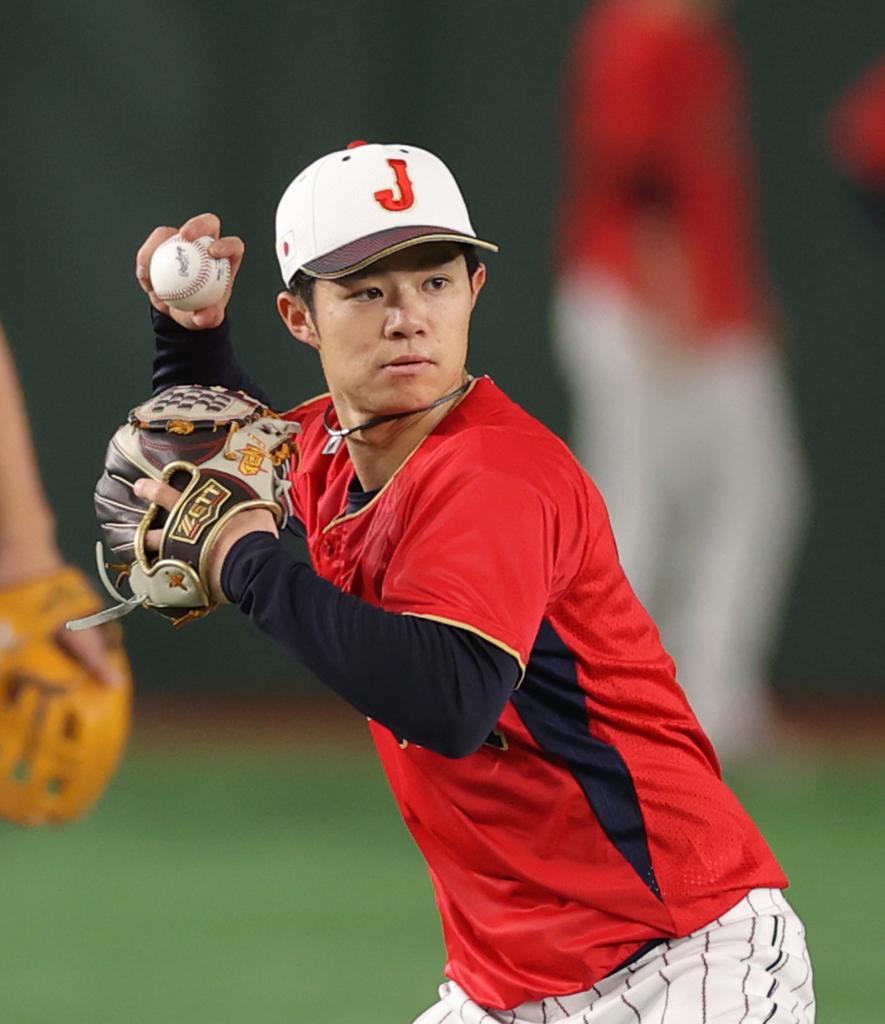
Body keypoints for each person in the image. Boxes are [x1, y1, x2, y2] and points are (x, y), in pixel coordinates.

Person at [133, 141, 815, 1023]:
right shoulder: (337, 453)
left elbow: (451, 699)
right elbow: (218, 455)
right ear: (299, 317)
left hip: (680, 958)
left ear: (475, 290)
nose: (407, 317)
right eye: (366, 291)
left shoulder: (495, 472)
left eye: (434, 282)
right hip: (504, 988)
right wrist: (189, 335)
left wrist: (251, 565)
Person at [552, 0, 808, 758]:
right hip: (642, 303)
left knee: (739, 496)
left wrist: (736, 296)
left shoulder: (698, 41)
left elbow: (695, 186)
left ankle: (698, 703)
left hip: (697, 303)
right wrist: (675, 294)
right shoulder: (637, 35)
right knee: (639, 505)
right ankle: (611, 713)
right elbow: (634, 179)